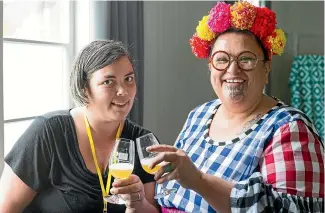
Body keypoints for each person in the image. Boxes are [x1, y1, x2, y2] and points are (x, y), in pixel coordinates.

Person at [148, 1, 324, 213]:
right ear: (210, 66)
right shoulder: (200, 115)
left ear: (267, 66)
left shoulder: (289, 130)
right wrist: (138, 201)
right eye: (221, 59)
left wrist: (199, 181)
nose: (233, 70)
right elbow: (171, 203)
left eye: (246, 59)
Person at [0, 40, 160, 213]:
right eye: (108, 82)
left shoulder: (142, 141)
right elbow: (7, 207)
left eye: (128, 79)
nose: (123, 91)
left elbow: (151, 208)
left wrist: (137, 202)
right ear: (84, 88)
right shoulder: (49, 132)